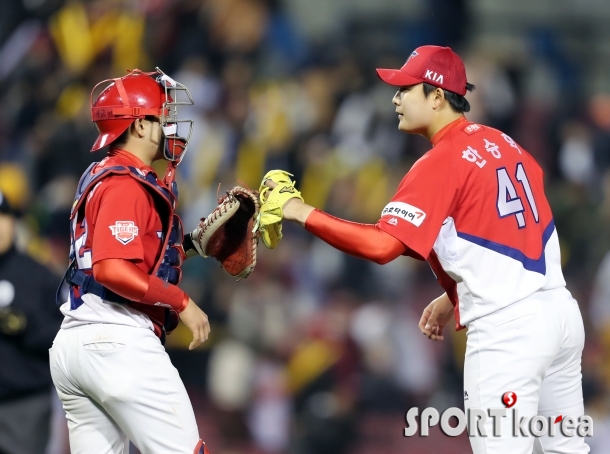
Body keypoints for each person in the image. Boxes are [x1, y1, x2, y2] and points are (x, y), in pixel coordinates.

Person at [260, 45, 589, 454]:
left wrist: (299, 210)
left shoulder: (441, 160)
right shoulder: (503, 142)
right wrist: (455, 294)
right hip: (561, 316)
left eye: (406, 88)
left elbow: (383, 246)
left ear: (436, 96)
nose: (395, 98)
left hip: (509, 332)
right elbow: (509, 229)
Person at [49, 68, 212, 454]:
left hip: (76, 344)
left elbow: (125, 259)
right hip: (117, 340)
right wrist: (181, 302)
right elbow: (112, 269)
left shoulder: (104, 175)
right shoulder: (127, 183)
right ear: (139, 126)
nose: (171, 127)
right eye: (162, 117)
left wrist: (192, 245)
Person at [0, 190, 64, 454]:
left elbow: (63, 339)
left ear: (14, 223)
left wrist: (26, 326)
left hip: (24, 409)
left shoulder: (38, 276)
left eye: (3, 217)